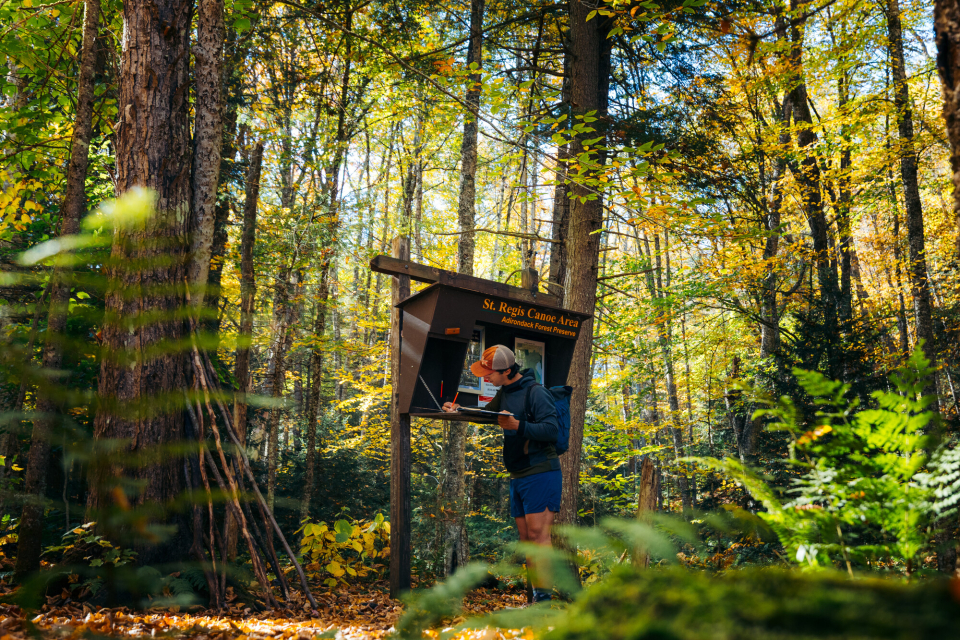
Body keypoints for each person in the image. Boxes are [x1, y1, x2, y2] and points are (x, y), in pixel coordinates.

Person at [442, 344, 560, 603]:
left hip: (541, 471)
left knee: (539, 538)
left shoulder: (536, 392)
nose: (485, 378)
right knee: (527, 539)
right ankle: (537, 599)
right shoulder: (505, 391)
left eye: (489, 374)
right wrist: (459, 410)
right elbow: (488, 416)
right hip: (518, 473)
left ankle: (544, 603)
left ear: (506, 370)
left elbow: (552, 430)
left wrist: (519, 425)